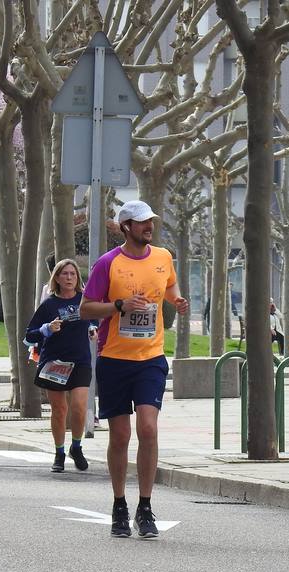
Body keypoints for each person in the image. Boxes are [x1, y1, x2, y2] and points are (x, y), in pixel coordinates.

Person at [80, 200, 189, 538]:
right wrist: (118, 306)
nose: (148, 227)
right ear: (125, 226)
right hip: (114, 358)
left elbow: (169, 285)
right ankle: (118, 503)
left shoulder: (163, 257)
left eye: (151, 222)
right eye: (141, 223)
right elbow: (85, 309)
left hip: (150, 357)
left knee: (148, 428)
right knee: (121, 434)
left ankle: (145, 505)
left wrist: (177, 300)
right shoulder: (107, 264)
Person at [25, 259, 93, 473]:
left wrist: (92, 328)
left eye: (73, 274)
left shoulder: (85, 301)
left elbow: (97, 321)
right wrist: (47, 328)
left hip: (80, 360)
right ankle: (59, 452)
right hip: (55, 362)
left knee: (80, 406)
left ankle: (76, 446)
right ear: (57, 278)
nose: (69, 278)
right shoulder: (49, 305)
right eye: (65, 274)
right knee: (59, 409)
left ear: (78, 278)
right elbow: (29, 335)